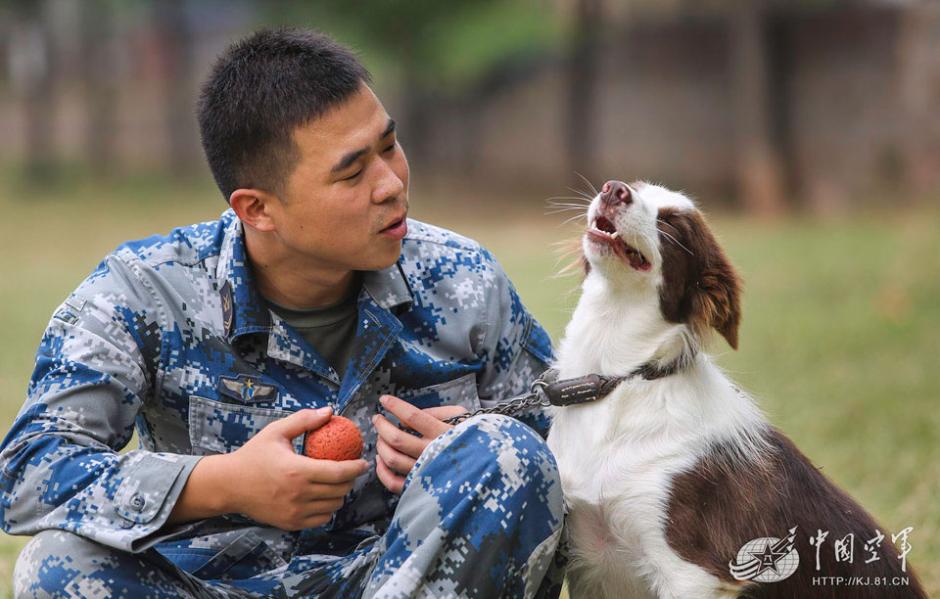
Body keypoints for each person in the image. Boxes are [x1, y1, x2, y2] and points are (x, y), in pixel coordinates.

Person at [0, 28, 566, 598]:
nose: (392, 184)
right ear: (257, 209)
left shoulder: (465, 281)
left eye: (390, 145)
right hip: (214, 585)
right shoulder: (145, 293)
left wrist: (461, 458)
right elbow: (27, 473)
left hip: (400, 578)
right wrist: (226, 483)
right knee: (57, 565)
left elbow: (576, 445)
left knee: (504, 451)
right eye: (352, 173)